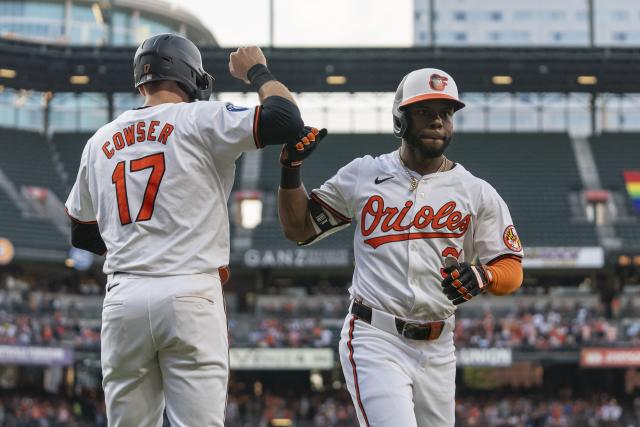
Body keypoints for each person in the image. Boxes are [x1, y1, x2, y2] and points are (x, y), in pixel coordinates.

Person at [65, 33, 308, 426]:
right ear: (190, 76)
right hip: (189, 291)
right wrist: (257, 70)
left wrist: (138, 247)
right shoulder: (201, 117)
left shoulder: (100, 140)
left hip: (124, 296)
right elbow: (286, 119)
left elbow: (80, 230)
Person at [277, 68, 525, 427]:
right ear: (400, 118)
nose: (438, 120)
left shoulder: (475, 191)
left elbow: (511, 268)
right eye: (426, 111)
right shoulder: (364, 173)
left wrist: (485, 275)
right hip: (375, 335)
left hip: (439, 345)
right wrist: (291, 170)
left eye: (446, 112)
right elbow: (299, 228)